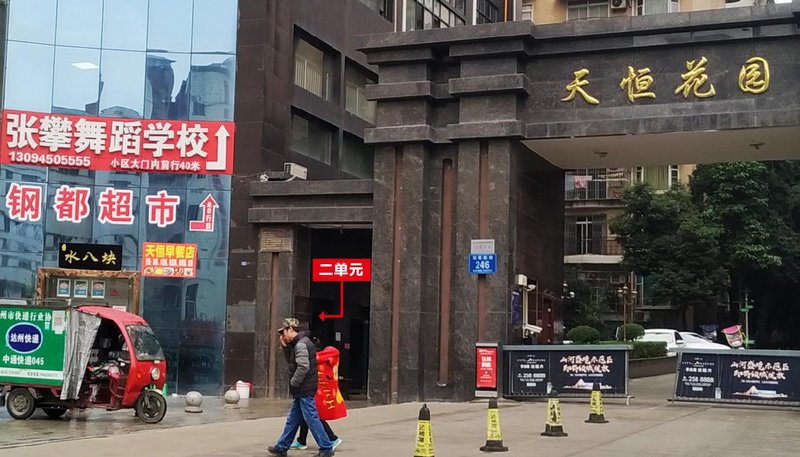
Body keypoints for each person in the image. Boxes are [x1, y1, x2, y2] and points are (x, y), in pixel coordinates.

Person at [268, 318, 335, 457]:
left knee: (311, 419)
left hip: (304, 388)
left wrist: (294, 382)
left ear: (290, 329)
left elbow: (303, 367)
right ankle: (282, 447)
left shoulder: (301, 344)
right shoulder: (301, 343)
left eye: (283, 332)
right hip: (303, 389)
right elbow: (292, 361)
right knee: (293, 420)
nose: (283, 336)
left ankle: (326, 447)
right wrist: (285, 347)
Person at [290, 335, 344, 451]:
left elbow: (304, 367)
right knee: (307, 414)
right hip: (315, 390)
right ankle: (301, 440)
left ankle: (332, 438)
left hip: (315, 391)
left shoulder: (319, 359)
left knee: (313, 415)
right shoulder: (321, 359)